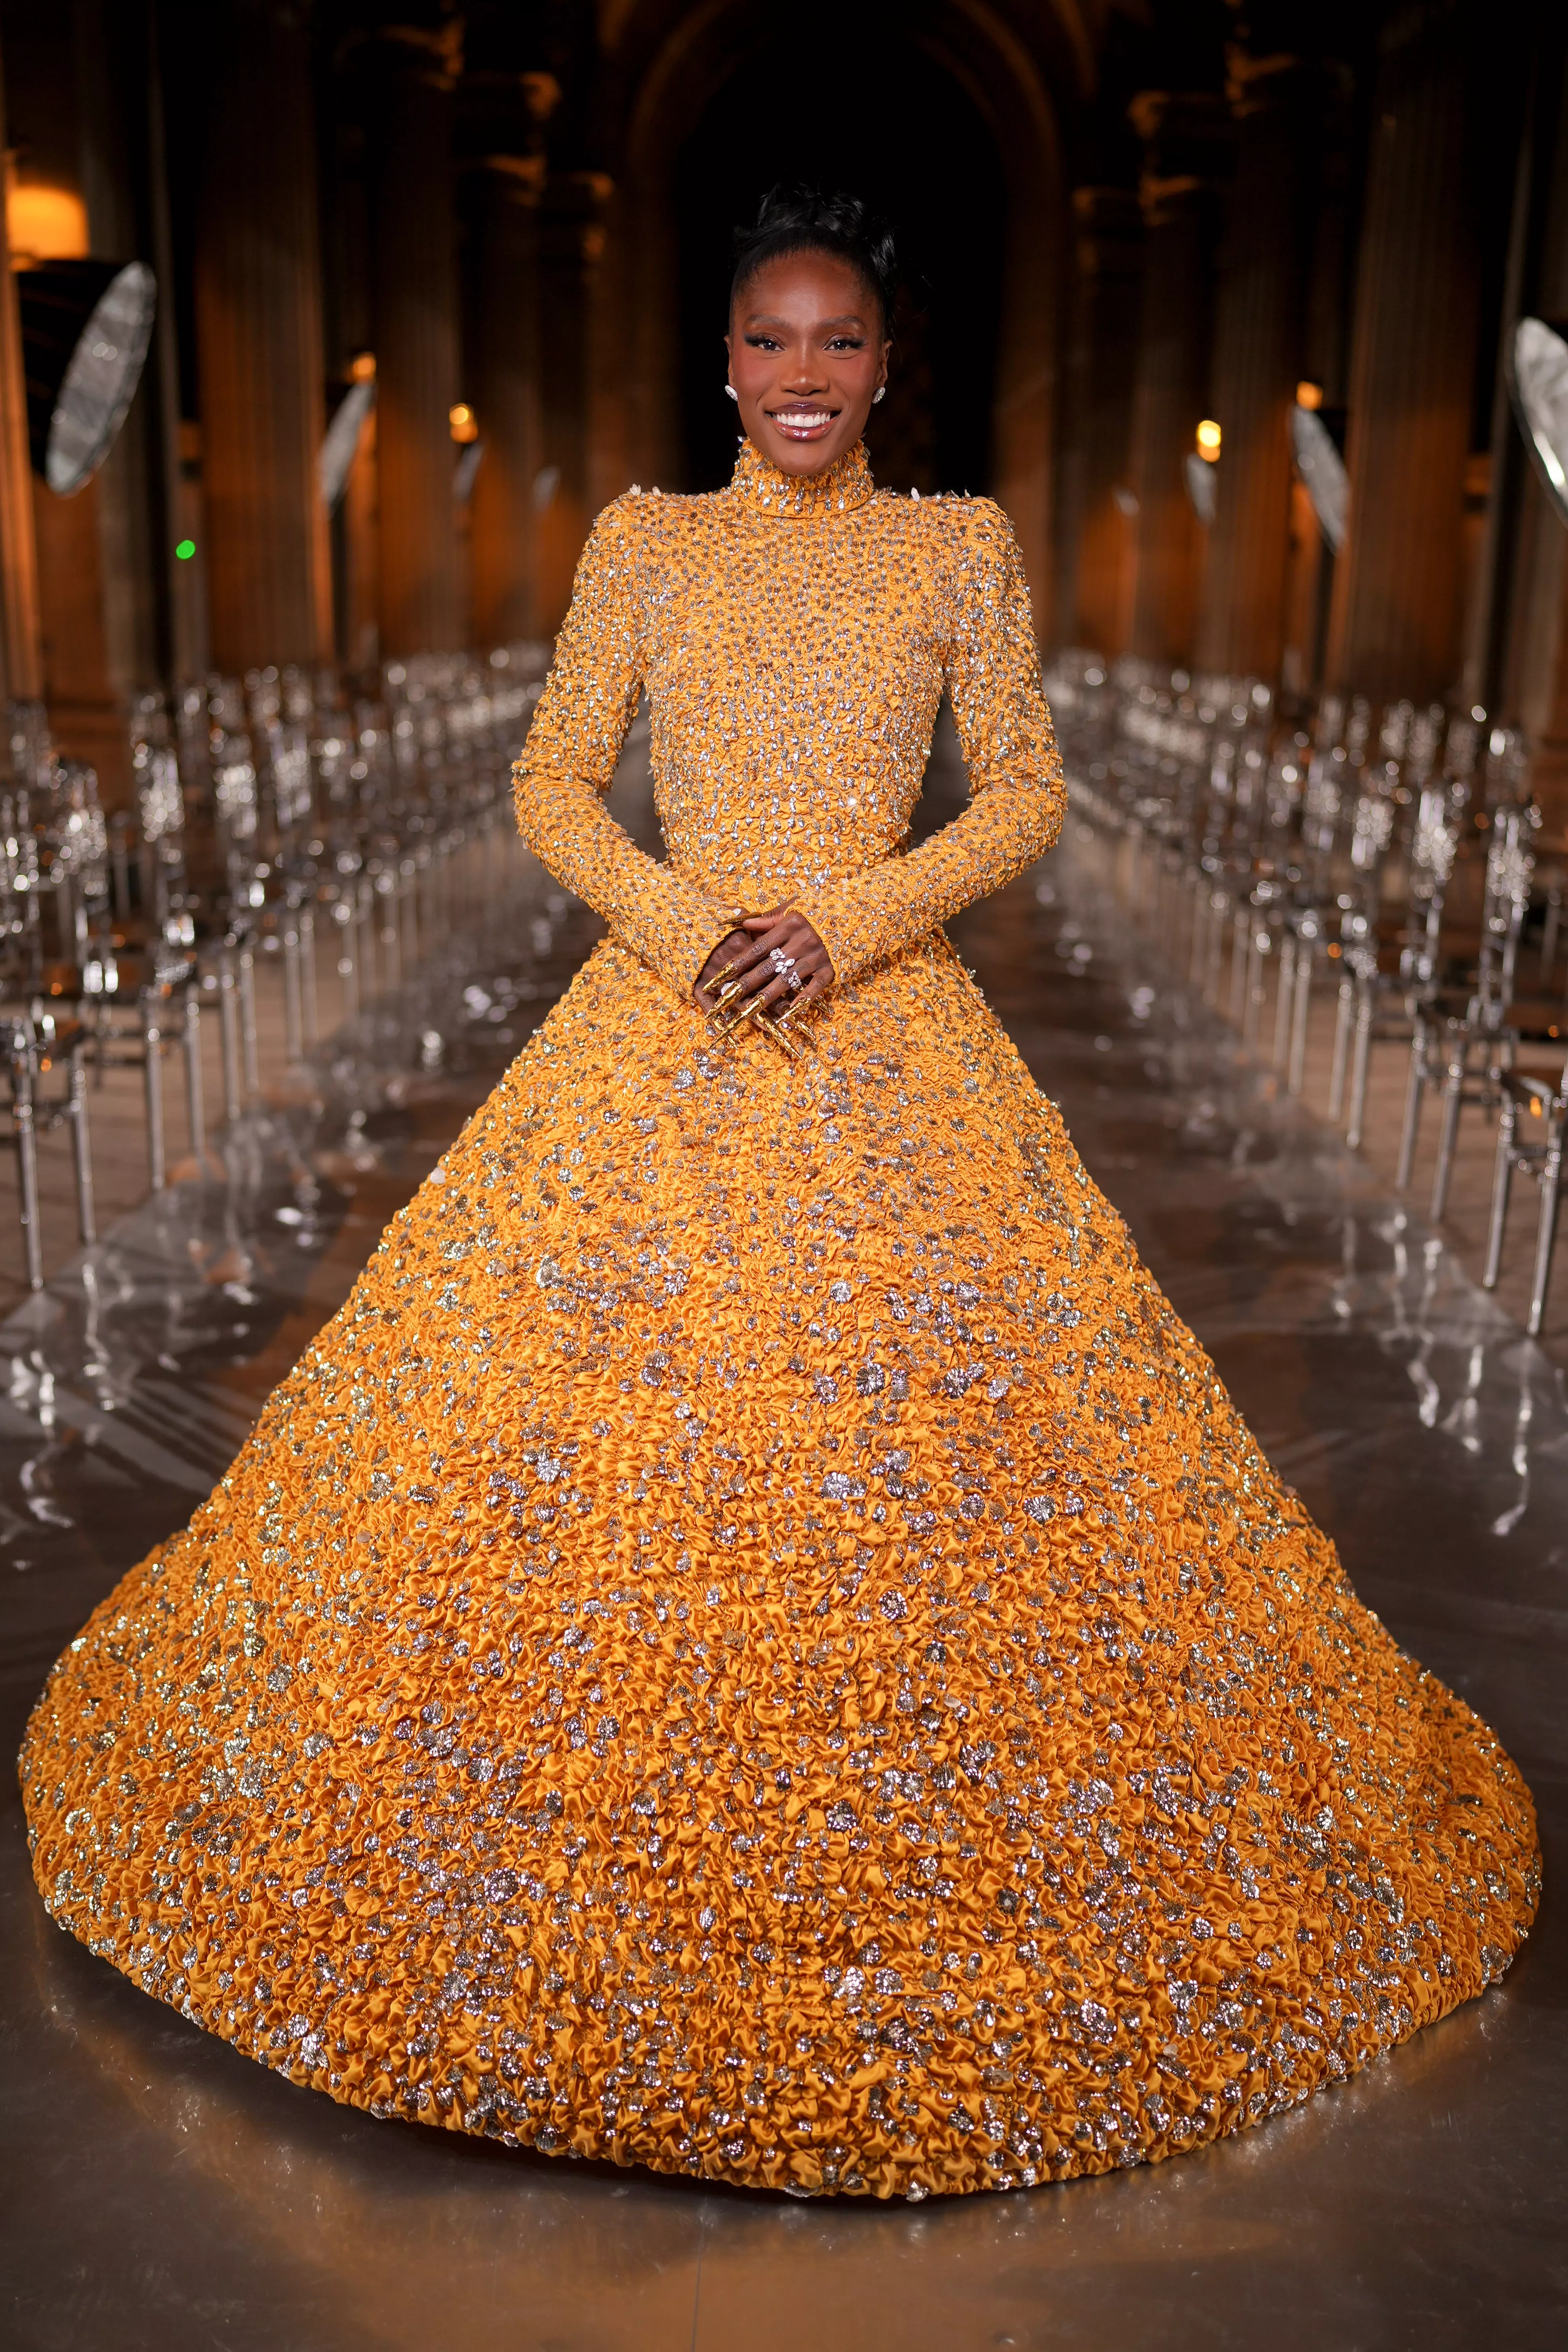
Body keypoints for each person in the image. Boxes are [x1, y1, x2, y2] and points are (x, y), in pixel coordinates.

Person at [20, 187, 1537, 2202]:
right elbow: (552, 781)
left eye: (837, 341)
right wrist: (688, 929)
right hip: (661, 1013)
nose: (801, 373)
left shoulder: (956, 546)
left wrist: (848, 920)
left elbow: (1024, 789)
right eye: (768, 339)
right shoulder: (644, 541)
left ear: (885, 366)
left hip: (883, 1020)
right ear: (722, 363)